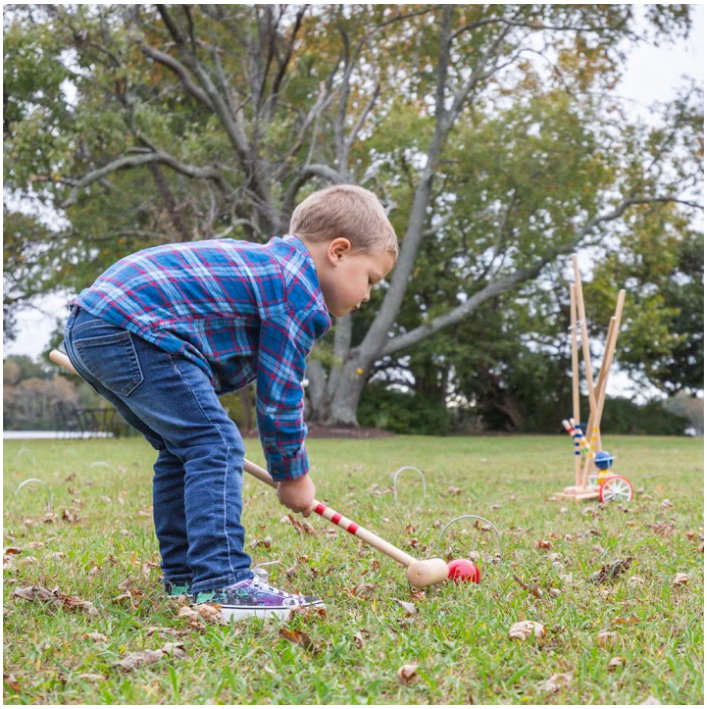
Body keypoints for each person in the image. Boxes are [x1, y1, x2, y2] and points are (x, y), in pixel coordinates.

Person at [63, 185, 398, 620]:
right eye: (369, 278)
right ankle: (223, 582)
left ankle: (186, 578)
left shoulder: (270, 268)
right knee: (215, 443)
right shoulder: (296, 288)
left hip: (98, 326)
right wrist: (292, 474)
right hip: (133, 326)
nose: (368, 295)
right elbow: (280, 397)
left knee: (181, 449)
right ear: (338, 251)